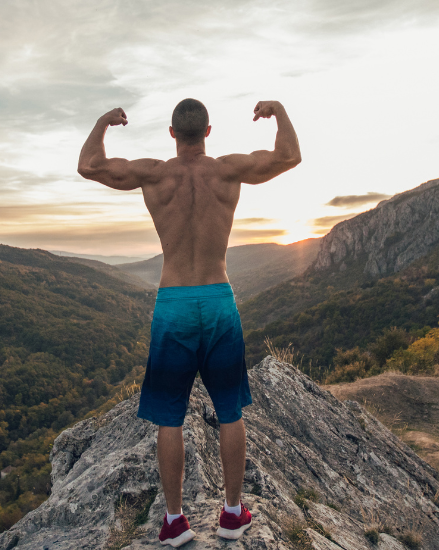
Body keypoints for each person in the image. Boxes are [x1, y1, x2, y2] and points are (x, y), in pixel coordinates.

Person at [77, 98, 301, 546]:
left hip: (174, 302)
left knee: (170, 417)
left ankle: (175, 520)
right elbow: (288, 156)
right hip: (218, 300)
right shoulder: (227, 170)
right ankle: (232, 514)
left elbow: (90, 165)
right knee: (230, 410)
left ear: (172, 134)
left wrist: (104, 121)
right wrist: (278, 112)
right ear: (209, 132)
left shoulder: (154, 174)